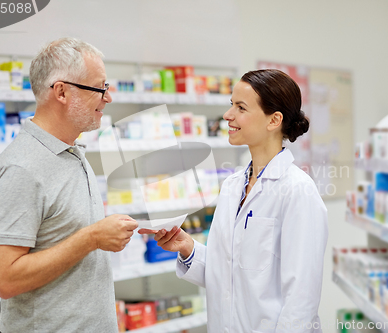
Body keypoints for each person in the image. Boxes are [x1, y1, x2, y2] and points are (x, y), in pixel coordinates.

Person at [140, 69, 329, 332]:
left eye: (240, 107)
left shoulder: (297, 191)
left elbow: (302, 298)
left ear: (274, 120)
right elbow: (229, 273)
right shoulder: (232, 187)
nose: (228, 115)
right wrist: (189, 248)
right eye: (231, 105)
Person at [0, 37, 138, 333]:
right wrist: (91, 238)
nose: (108, 98)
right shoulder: (21, 168)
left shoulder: (72, 152)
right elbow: (6, 279)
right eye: (100, 88)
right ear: (62, 92)